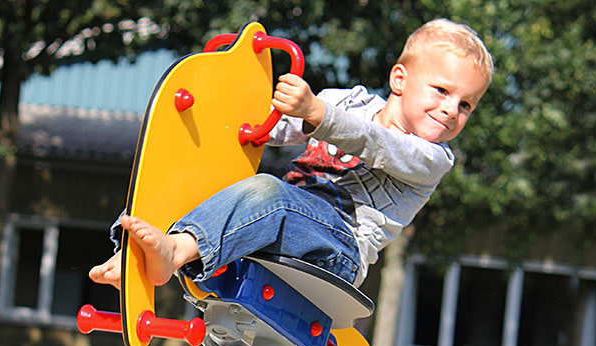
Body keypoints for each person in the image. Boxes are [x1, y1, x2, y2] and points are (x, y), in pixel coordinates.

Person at [90, 18, 493, 292]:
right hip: (283, 220)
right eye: (442, 91)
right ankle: (132, 255)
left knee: (271, 192)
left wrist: (316, 112)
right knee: (213, 181)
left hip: (338, 252)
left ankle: (176, 251)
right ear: (399, 79)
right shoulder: (346, 102)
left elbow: (375, 142)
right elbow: (269, 130)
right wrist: (223, 121)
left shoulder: (432, 159)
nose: (451, 110)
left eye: (466, 105)